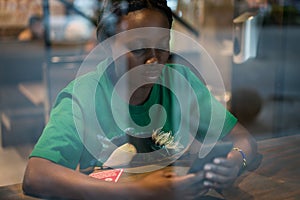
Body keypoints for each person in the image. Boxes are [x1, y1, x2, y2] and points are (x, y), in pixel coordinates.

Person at [22, 0, 257, 199]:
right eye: (138, 50)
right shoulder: (83, 96)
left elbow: (242, 138)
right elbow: (36, 174)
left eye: (163, 47)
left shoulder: (180, 82)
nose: (154, 60)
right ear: (106, 47)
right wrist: (138, 192)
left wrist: (236, 161)